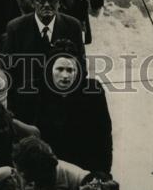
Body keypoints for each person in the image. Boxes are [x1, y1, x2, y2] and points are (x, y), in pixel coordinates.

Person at [1, 0, 86, 124]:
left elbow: (81, 68)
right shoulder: (16, 28)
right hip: (28, 108)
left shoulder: (73, 26)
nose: (47, 4)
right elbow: (9, 73)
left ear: (59, 2)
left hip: (62, 107)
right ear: (33, 2)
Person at [32, 40, 112, 174]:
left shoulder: (92, 91)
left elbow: (104, 135)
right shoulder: (38, 91)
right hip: (50, 168)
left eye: (70, 70)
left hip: (85, 166)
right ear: (50, 69)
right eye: (60, 69)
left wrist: (103, 172)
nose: (65, 76)